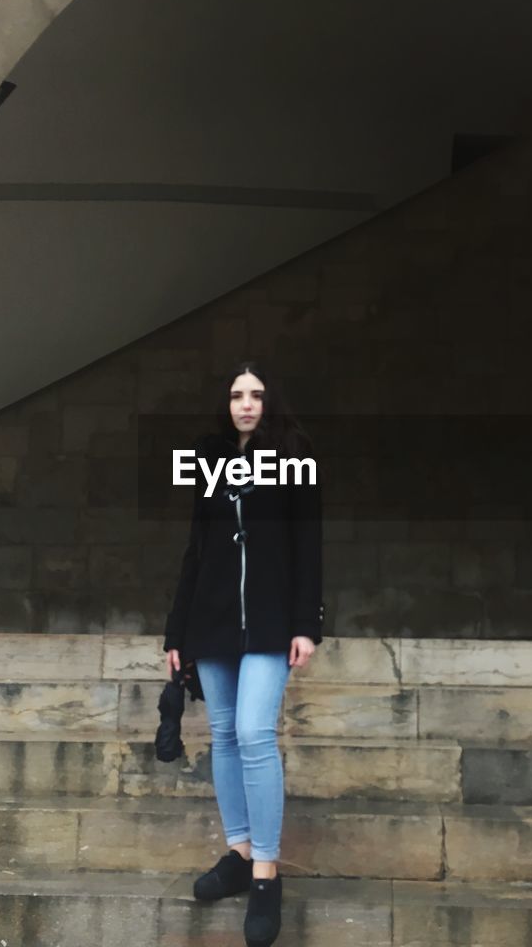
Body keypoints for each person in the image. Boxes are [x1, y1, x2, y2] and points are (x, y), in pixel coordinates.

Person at [163, 360, 324, 947]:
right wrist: (175, 634)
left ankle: (265, 873)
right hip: (210, 624)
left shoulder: (295, 458)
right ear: (225, 404)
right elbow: (196, 549)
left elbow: (309, 544)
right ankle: (237, 850)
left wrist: (308, 624)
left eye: (256, 395)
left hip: (271, 624)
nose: (246, 404)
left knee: (256, 734)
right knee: (225, 734)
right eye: (236, 395)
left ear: (270, 401)